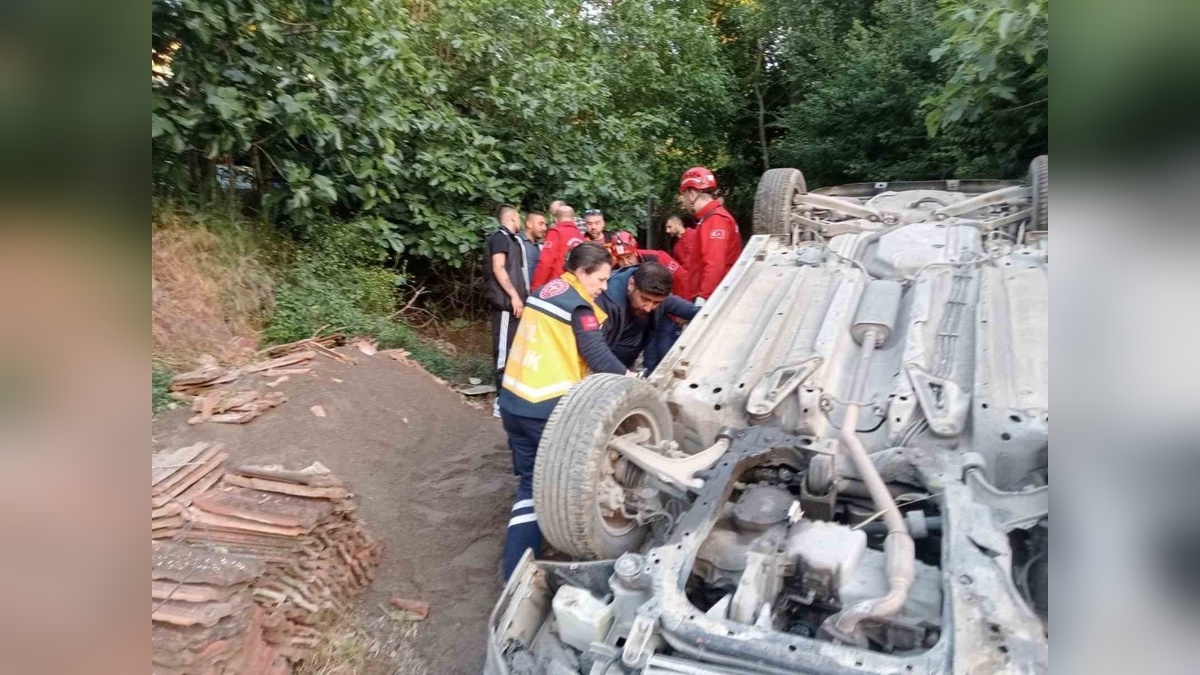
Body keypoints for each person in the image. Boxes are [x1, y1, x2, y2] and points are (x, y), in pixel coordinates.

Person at [497, 242, 635, 579]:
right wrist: (633, 381)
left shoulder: (547, 290)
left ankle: (513, 566)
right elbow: (598, 357)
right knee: (566, 482)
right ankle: (537, 566)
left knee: (530, 482)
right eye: (600, 279)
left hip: (514, 399)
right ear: (582, 271)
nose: (604, 287)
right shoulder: (578, 307)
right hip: (544, 406)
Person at [596, 261, 698, 372]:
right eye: (645, 299)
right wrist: (624, 374)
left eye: (656, 303)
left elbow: (693, 311)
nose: (648, 308)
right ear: (631, 284)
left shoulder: (655, 293)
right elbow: (595, 350)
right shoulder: (606, 302)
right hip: (602, 370)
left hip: (625, 363)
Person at [484, 204, 530, 417]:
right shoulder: (500, 238)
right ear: (512, 217)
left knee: (514, 350)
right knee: (503, 352)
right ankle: (500, 401)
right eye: (519, 217)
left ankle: (512, 396)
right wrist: (513, 296)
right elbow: (498, 267)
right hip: (504, 304)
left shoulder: (512, 240)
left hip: (515, 305)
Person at [678, 167, 742, 307]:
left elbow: (714, 264)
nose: (684, 202)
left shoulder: (715, 220)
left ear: (692, 193)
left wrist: (703, 299)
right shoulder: (709, 219)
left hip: (712, 299)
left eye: (684, 196)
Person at [531, 205, 585, 289]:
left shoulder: (555, 233)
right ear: (573, 219)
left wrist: (536, 286)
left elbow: (546, 262)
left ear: (556, 219)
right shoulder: (581, 237)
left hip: (557, 285)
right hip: (576, 286)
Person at [666, 214, 700, 279]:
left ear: (677, 224)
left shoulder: (695, 234)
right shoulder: (676, 247)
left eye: (669, 227)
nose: (667, 231)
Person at [522, 210, 547, 283]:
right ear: (529, 224)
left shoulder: (540, 247)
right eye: (540, 224)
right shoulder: (516, 243)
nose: (544, 228)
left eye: (545, 225)